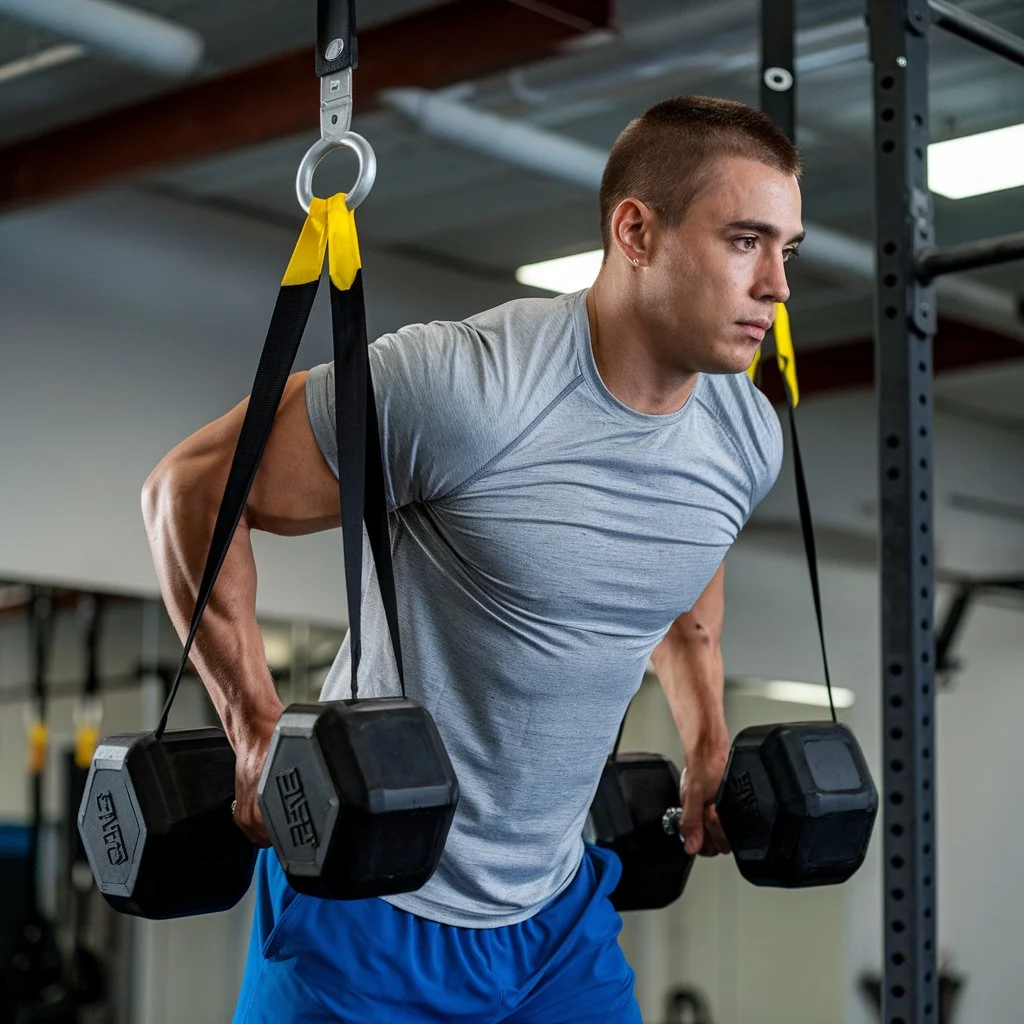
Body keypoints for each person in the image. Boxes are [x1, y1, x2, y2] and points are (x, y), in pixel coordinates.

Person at [142, 94, 804, 1023]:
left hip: (555, 918)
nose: (777, 283)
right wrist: (252, 726)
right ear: (636, 231)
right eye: (746, 241)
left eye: (789, 249)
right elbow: (191, 491)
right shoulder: (471, 390)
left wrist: (706, 737)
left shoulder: (744, 439)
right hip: (368, 909)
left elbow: (684, 570)